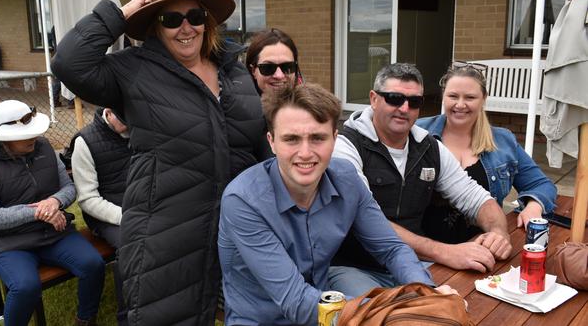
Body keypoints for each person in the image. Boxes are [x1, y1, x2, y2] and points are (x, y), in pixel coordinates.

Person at [51, 0, 268, 325]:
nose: (187, 28)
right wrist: (124, 12)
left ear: (207, 21)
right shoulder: (132, 71)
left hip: (236, 228)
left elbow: (257, 140)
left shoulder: (234, 71)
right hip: (166, 234)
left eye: (195, 17)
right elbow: (68, 62)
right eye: (171, 19)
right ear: (155, 25)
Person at [219, 83, 462, 325]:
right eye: (291, 139)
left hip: (331, 311)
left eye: (317, 138)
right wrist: (399, 312)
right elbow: (296, 302)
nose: (305, 152)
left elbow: (391, 248)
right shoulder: (243, 201)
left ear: (335, 139)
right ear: (272, 142)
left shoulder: (346, 179)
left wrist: (427, 293)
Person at [330, 63, 512, 297]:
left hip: (412, 264)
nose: (404, 108)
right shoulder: (346, 146)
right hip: (354, 266)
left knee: (468, 304)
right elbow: (366, 222)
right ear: (374, 99)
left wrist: (498, 232)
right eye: (394, 98)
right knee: (383, 318)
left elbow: (475, 197)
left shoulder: (429, 147)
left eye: (414, 102)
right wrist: (445, 252)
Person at [0, 100, 105, 326]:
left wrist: (55, 201)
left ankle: (85, 320)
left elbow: (68, 188)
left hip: (52, 233)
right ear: (4, 138)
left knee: (93, 264)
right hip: (7, 242)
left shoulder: (44, 147)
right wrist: (41, 211)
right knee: (26, 286)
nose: (34, 137)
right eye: (27, 134)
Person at [416, 62, 557, 243]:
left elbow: (542, 185)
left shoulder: (503, 141)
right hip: (425, 251)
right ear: (443, 97)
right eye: (453, 96)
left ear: (483, 99)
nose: (460, 104)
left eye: (470, 97)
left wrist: (534, 206)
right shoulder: (418, 132)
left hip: (484, 248)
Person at [71, 107, 130, 326]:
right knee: (131, 245)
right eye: (125, 119)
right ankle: (128, 318)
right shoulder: (84, 142)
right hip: (107, 215)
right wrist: (127, 216)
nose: (130, 126)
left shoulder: (141, 127)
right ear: (109, 112)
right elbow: (87, 200)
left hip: (140, 206)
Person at [245, 28, 303, 94]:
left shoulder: (312, 103)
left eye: (287, 67)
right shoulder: (236, 103)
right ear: (253, 70)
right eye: (268, 68)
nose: (279, 75)